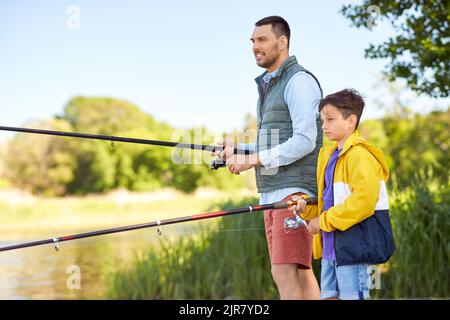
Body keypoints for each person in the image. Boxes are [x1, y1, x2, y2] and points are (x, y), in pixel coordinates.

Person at [216, 16, 322, 299]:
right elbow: (274, 143)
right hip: (273, 192)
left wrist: (252, 160)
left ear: (282, 41)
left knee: (285, 271)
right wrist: (239, 150)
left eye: (262, 40)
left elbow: (304, 140)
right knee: (298, 269)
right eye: (252, 41)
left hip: (294, 192)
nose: (254, 46)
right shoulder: (268, 85)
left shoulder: (298, 81)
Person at [290, 89, 395, 300]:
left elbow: (363, 202)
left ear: (351, 121)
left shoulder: (360, 155)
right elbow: (329, 199)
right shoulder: (329, 157)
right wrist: (308, 209)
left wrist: (324, 220)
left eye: (330, 119)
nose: (324, 125)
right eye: (322, 120)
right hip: (332, 249)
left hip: (355, 248)